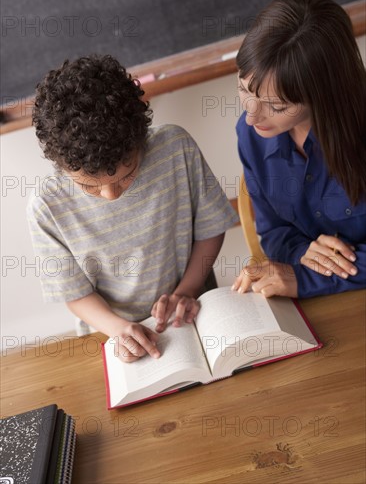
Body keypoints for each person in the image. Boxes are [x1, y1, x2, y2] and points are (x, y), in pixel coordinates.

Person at [28, 54, 238, 362]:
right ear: (60, 165)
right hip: (110, 332)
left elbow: (211, 228)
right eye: (89, 186)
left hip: (192, 311)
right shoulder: (47, 207)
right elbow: (74, 292)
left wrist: (187, 290)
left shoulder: (175, 148)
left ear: (141, 141)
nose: (110, 194)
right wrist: (119, 329)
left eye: (126, 177)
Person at [232, 0, 366, 299]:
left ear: (326, 93)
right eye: (242, 88)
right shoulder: (251, 134)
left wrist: (305, 279)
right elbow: (275, 232)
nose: (252, 117)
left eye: (276, 107)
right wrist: (303, 252)